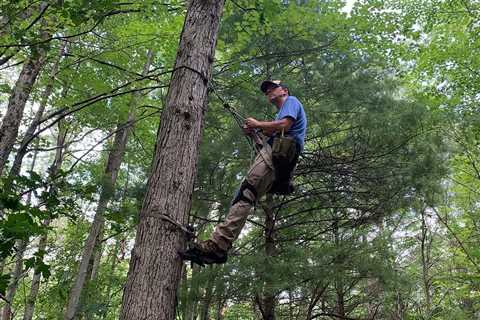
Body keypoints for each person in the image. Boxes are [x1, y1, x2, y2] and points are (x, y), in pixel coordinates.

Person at [182, 80, 307, 265]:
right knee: (246, 195)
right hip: (276, 157)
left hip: (277, 155)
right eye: (266, 91)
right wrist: (255, 133)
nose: (269, 92)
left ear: (284, 91)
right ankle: (219, 246)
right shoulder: (280, 114)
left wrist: (257, 124)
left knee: (246, 194)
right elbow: (272, 135)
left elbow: (285, 125)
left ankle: (218, 246)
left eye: (273, 88)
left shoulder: (292, 101)